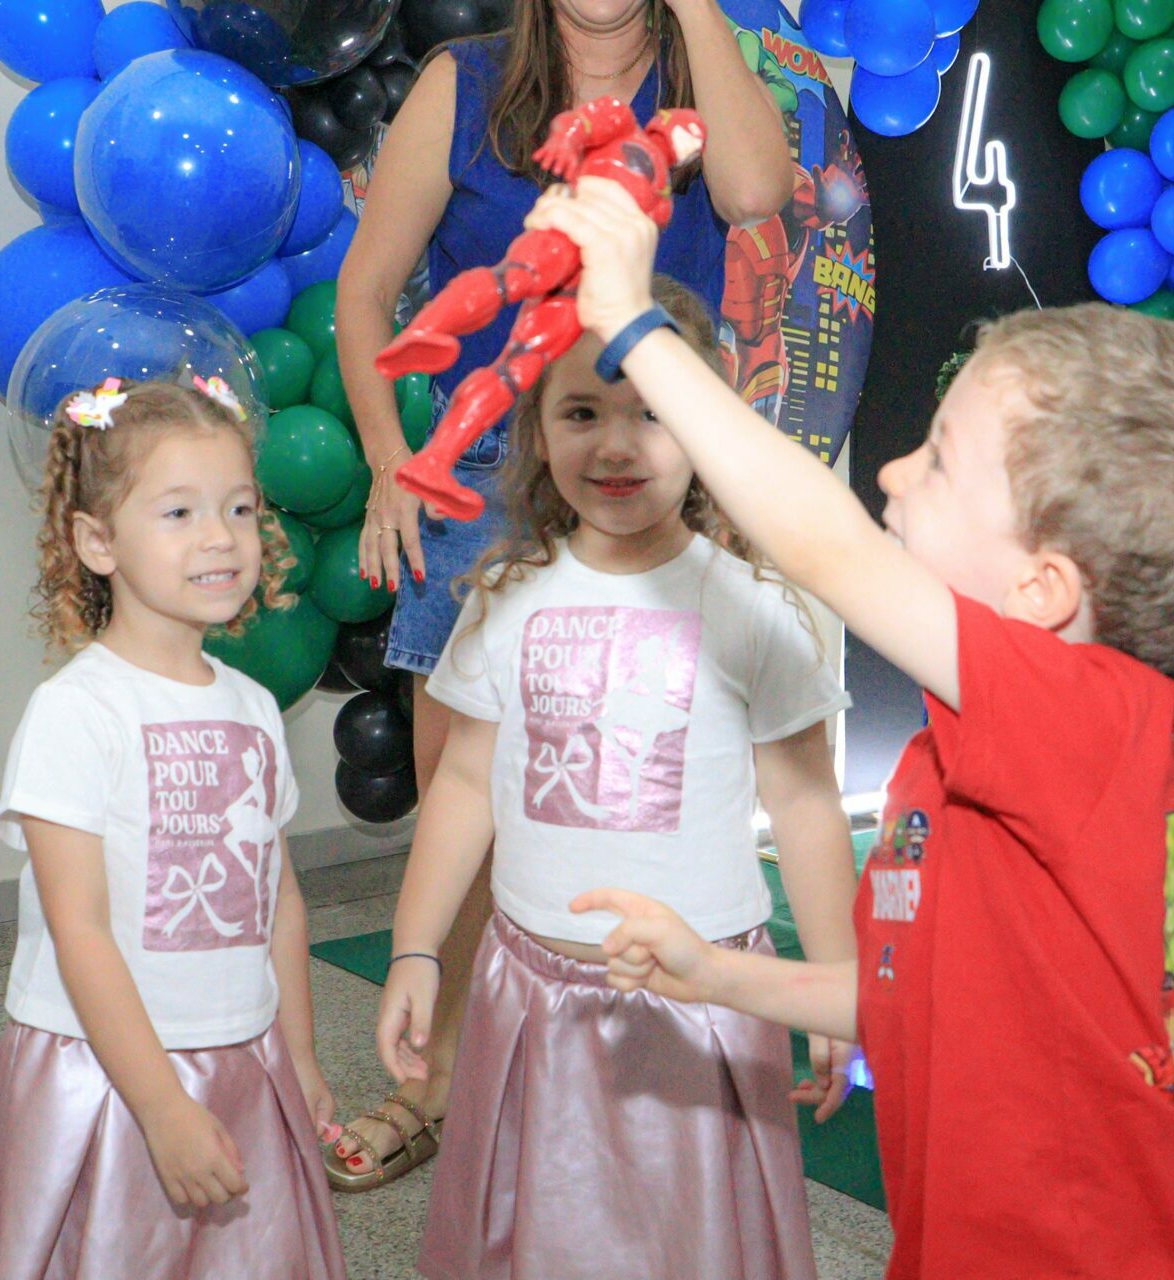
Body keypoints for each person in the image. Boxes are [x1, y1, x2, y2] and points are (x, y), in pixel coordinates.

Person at [540, 178, 1174, 1279]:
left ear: (1043, 588)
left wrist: (633, 324)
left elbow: (830, 549)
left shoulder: (1085, 718)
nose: (896, 470)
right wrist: (710, 972)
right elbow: (910, 997)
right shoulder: (950, 757)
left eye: (939, 458)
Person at [328, 0, 793, 1188]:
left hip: (662, 466)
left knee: (647, 791)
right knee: (465, 800)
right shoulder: (463, 80)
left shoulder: (701, 74)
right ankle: (435, 1083)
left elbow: (753, 193)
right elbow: (365, 290)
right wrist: (390, 460)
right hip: (488, 475)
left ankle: (629, 1077)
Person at [376, 275, 854, 1278]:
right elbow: (463, 784)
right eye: (583, 412)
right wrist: (417, 947)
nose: (615, 445)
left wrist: (831, 987)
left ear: (706, 423)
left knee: (692, 1241)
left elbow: (806, 803)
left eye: (652, 412)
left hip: (697, 1001)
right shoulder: (505, 597)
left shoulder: (754, 609)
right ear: (538, 431)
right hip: (531, 996)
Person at [0, 379, 344, 1279]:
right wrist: (160, 1106)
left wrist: (299, 1055)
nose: (221, 536)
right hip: (111, 1075)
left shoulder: (254, 708)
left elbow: (278, 902)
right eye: (179, 512)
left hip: (243, 1055)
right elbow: (79, 928)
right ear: (98, 541)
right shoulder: (78, 711)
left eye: (240, 508)